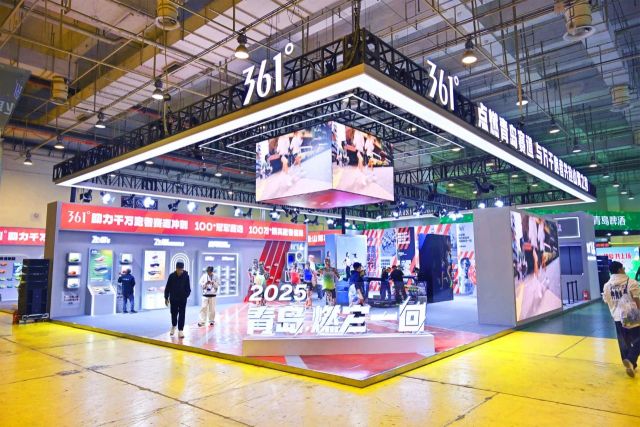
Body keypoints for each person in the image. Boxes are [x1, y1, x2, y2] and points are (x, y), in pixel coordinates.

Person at [603, 261, 640, 378]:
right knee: (638, 339)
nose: (624, 269)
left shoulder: (607, 286)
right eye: (623, 268)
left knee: (624, 342)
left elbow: (606, 301)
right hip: (632, 317)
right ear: (619, 269)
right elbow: (637, 301)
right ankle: (631, 359)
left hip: (618, 318)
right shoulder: (632, 282)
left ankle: (630, 365)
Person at [164, 262, 191, 338]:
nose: (180, 271)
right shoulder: (171, 276)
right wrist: (166, 297)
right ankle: (173, 325)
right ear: (176, 269)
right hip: (173, 299)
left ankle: (180, 330)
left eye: (181, 270)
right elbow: (167, 287)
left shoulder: (186, 276)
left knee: (182, 314)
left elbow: (188, 288)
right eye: (179, 269)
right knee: (173, 313)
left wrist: (185, 295)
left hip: (182, 299)